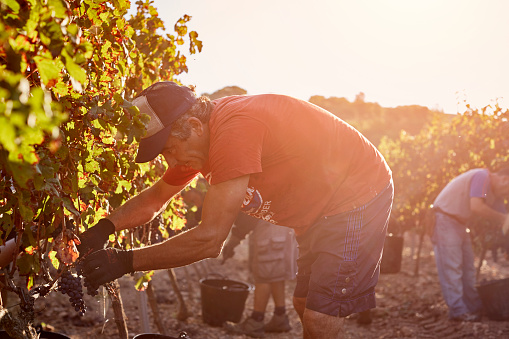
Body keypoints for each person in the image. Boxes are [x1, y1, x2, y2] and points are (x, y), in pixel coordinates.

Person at [79, 81, 393, 338]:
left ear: (193, 125)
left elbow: (210, 239)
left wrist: (126, 261)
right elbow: (156, 197)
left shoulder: (234, 131)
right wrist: (104, 227)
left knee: (321, 317)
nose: (171, 163)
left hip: (355, 195)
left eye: (169, 151)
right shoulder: (199, 140)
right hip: (317, 212)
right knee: (303, 302)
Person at [431, 167, 509, 322]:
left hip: (460, 223)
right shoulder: (482, 176)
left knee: (468, 269)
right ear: (505, 180)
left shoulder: (496, 195)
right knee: (452, 268)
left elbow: (505, 225)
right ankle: (458, 312)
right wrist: (503, 219)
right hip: (445, 218)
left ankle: (474, 308)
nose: (507, 195)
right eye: (508, 191)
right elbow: (477, 207)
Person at [222, 213, 298, 338]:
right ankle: (280, 317)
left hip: (270, 229)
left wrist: (233, 242)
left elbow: (247, 219)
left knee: (263, 274)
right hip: (282, 227)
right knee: (275, 272)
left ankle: (256, 321)